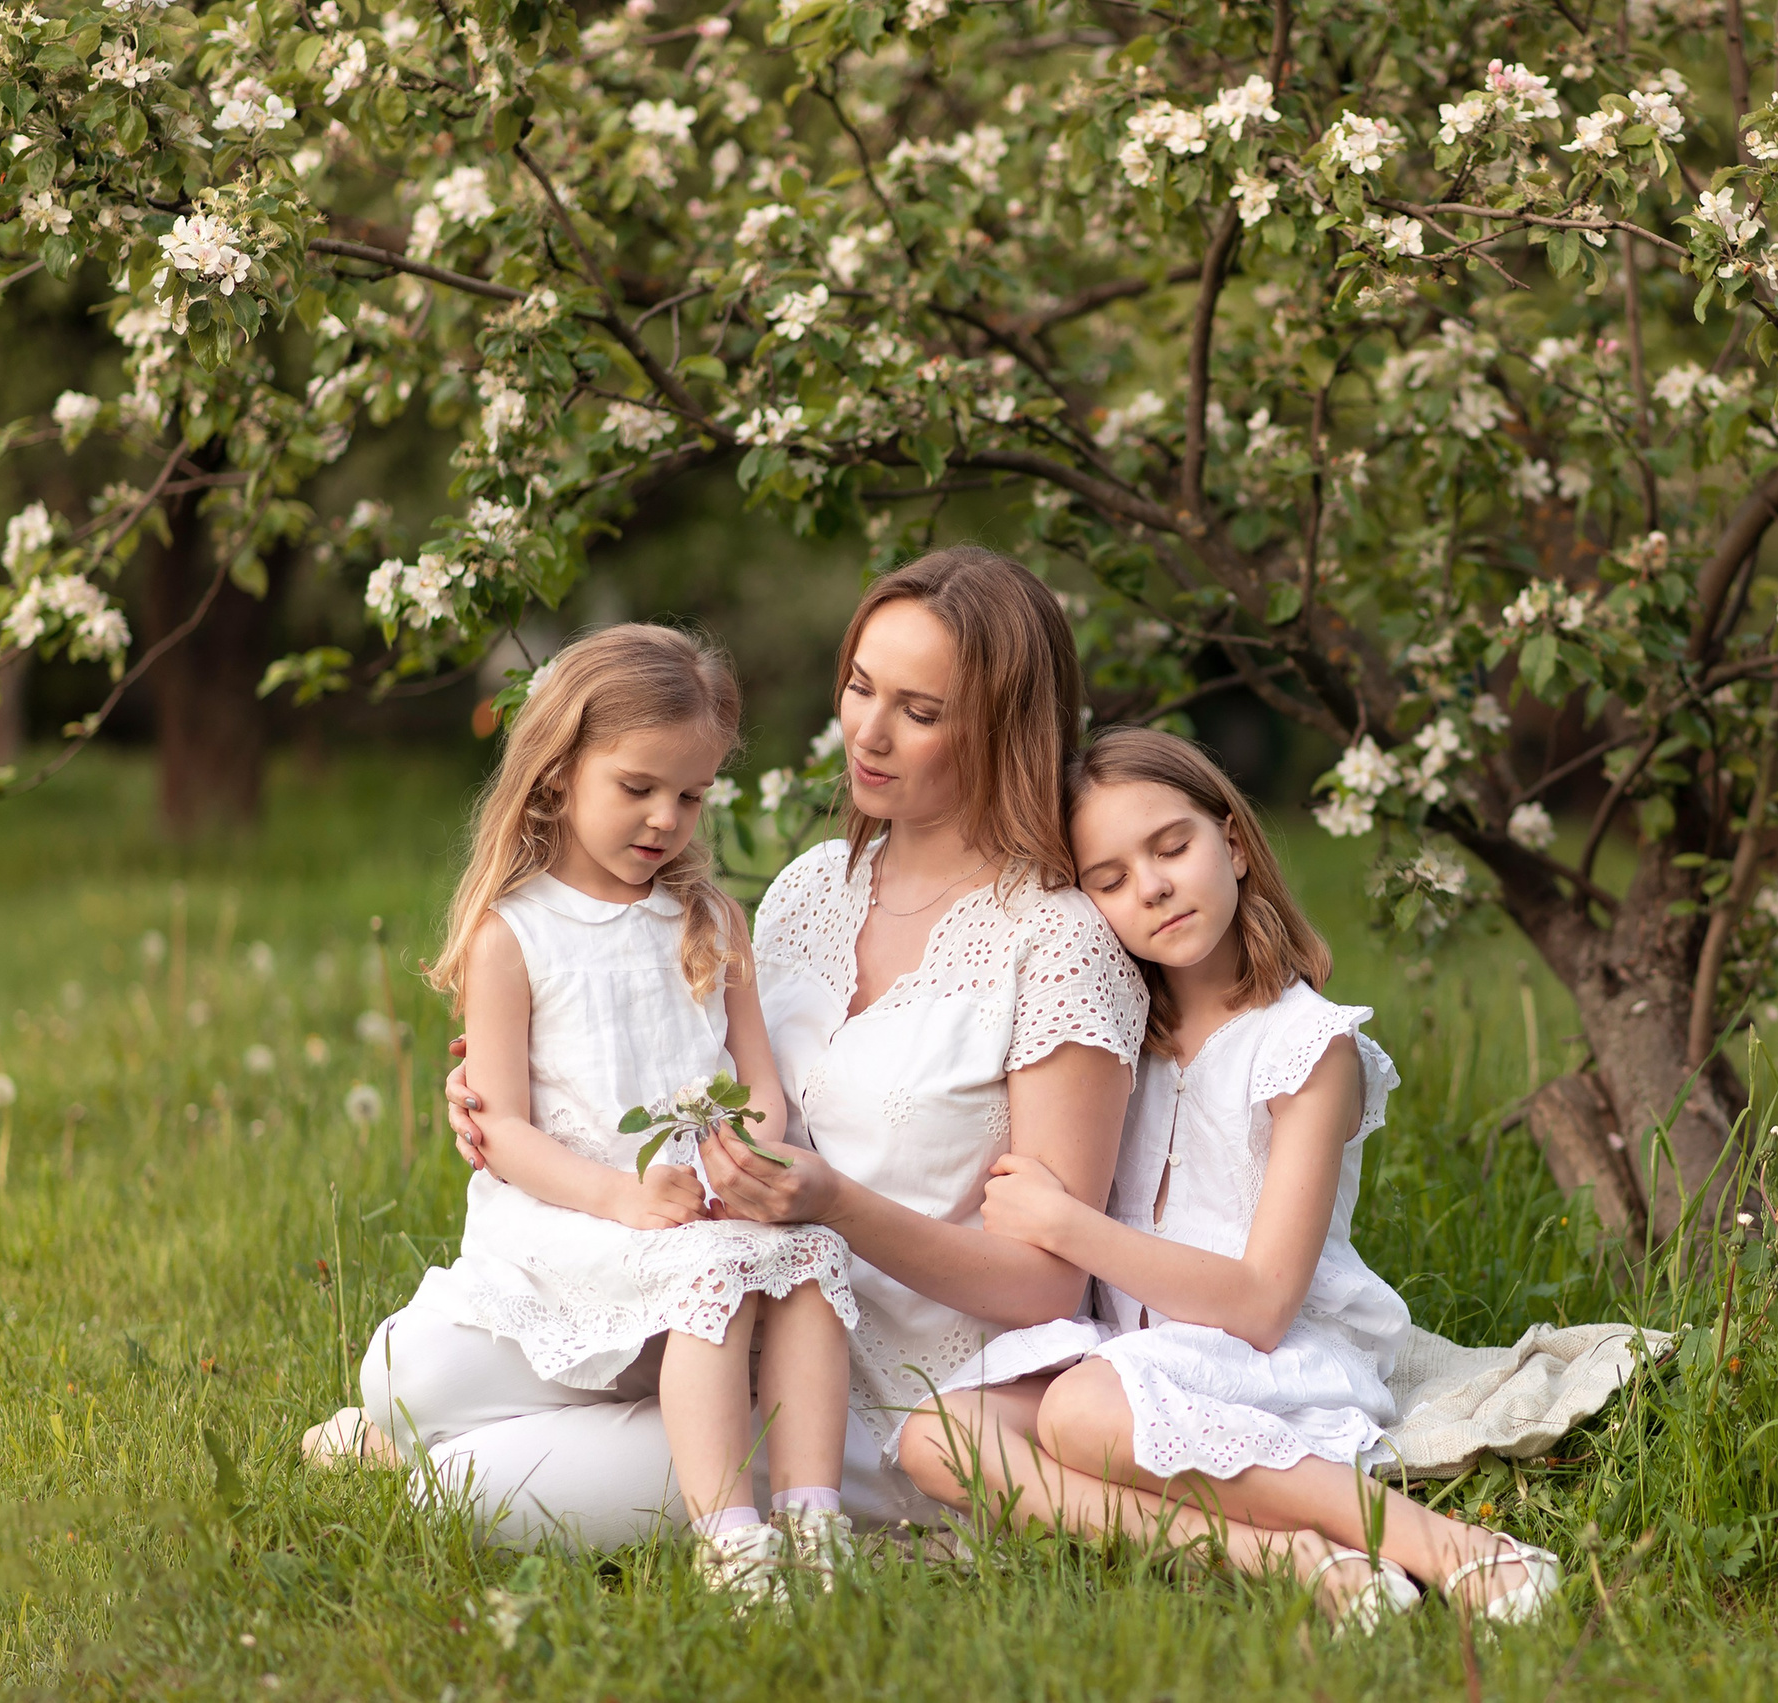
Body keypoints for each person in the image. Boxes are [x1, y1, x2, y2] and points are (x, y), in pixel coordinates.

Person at [326, 548, 1155, 1549]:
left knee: (458, 1486)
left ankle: (783, 1513)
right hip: (712, 1298)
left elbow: (1047, 1281)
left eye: (920, 711)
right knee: (403, 1376)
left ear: (1004, 730)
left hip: (880, 1393)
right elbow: (696, 1052)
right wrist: (524, 1089)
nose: (868, 730)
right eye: (858, 685)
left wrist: (835, 1205)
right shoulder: (813, 886)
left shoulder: (1058, 941)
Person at [901, 728, 1561, 1627]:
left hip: (1270, 1357)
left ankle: (1438, 1541)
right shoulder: (1118, 1041)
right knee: (937, 1435)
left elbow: (1260, 1304)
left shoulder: (1308, 1047)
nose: (1154, 887)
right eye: (1110, 878)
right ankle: (1280, 1554)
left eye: (1172, 847)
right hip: (1130, 1361)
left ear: (1235, 844)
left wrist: (1063, 1224)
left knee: (1082, 1412)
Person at [339, 624, 860, 1604]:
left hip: (696, 1204)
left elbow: (756, 1084)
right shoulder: (515, 933)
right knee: (704, 1274)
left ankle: (814, 1515)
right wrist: (622, 1197)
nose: (666, 817)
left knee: (814, 1260)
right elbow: (505, 1133)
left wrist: (739, 1163)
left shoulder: (709, 921)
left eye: (692, 793)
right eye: (638, 786)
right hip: (574, 1215)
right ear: (556, 772)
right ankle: (731, 1540)